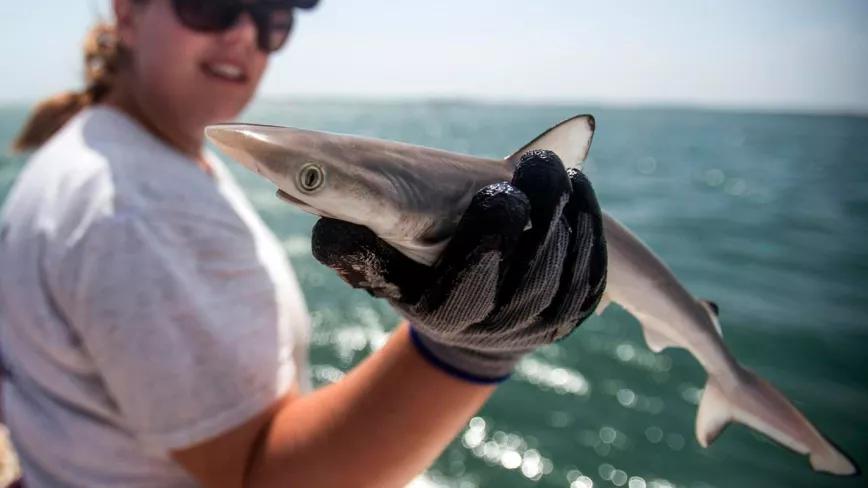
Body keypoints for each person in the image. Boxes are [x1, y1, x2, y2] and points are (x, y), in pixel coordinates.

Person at [0, 0, 607, 486]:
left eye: (273, 19)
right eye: (211, 7)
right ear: (126, 12)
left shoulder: (106, 150)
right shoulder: (138, 212)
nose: (245, 34)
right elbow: (260, 478)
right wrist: (474, 351)